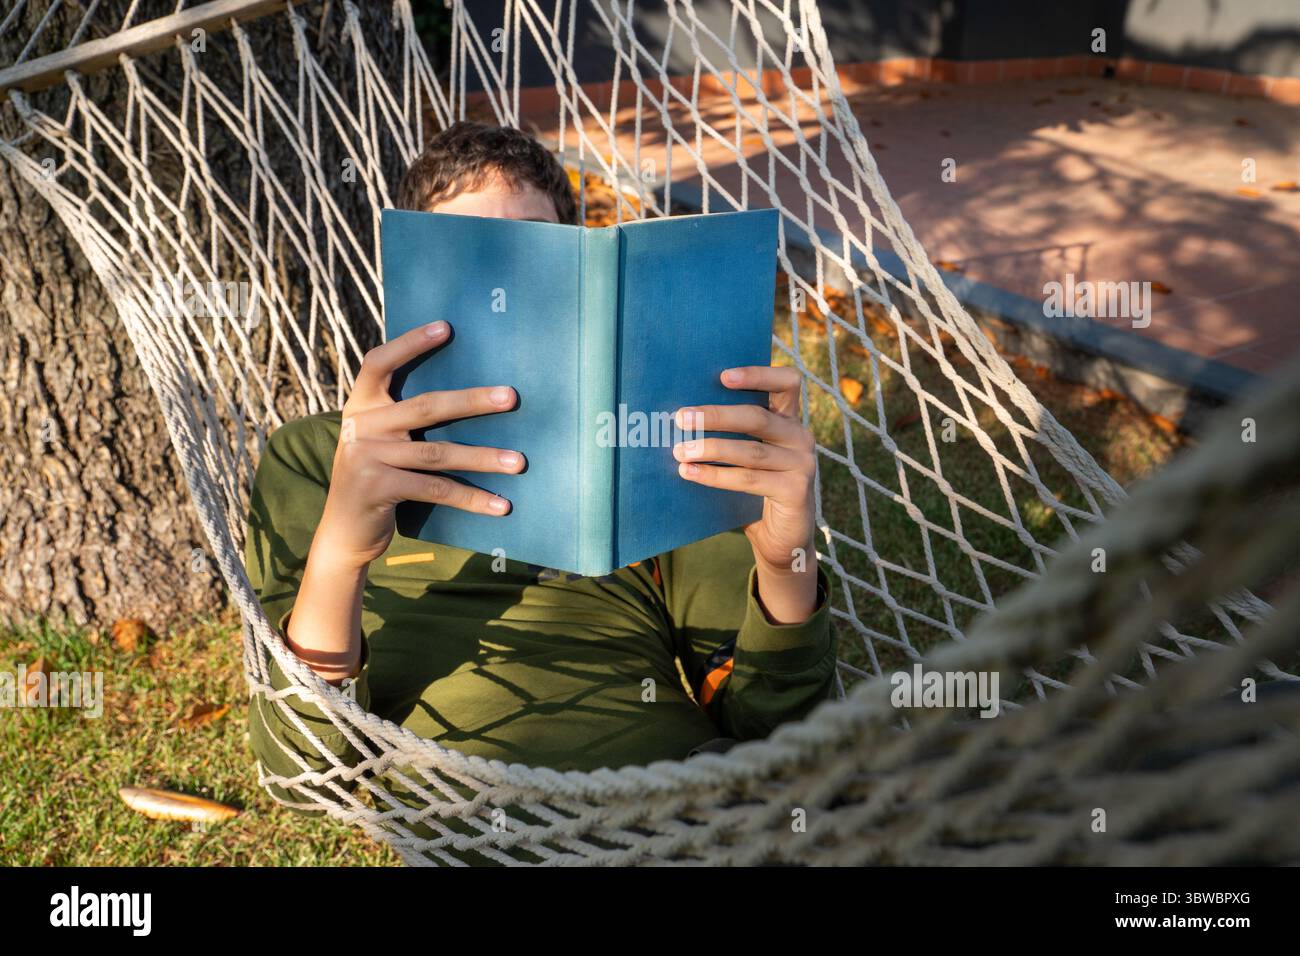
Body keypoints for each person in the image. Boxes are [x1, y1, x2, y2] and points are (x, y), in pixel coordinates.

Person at [244, 122, 837, 856]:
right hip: (473, 810)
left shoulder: (650, 438)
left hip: (685, 801)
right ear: (411, 284)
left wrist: (787, 564)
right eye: (475, 257)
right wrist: (341, 547)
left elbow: (776, 736)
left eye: (536, 254)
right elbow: (306, 772)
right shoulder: (315, 457)